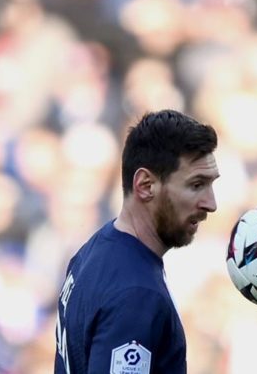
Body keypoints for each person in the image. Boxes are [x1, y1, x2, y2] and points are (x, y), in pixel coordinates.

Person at [54, 109, 220, 374]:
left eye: (212, 185)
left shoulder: (93, 250)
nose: (211, 204)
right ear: (145, 185)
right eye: (196, 185)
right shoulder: (137, 295)